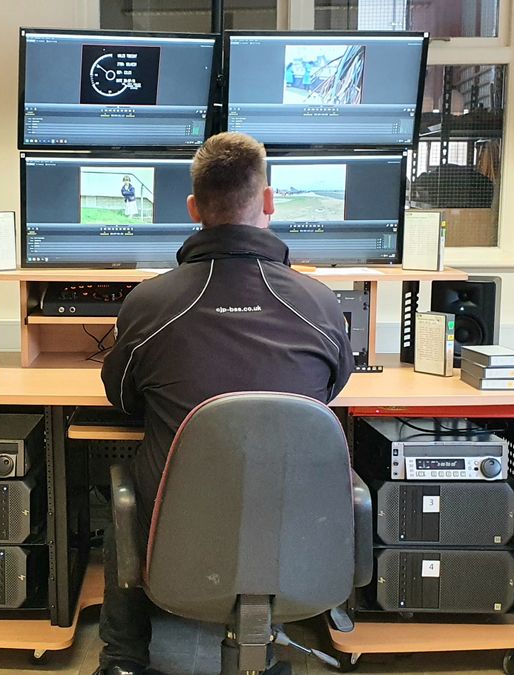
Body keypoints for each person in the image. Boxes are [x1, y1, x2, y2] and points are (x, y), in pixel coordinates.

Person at [95, 132, 353, 675]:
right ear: (269, 200)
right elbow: (329, 394)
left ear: (193, 208)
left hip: (174, 528)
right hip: (296, 525)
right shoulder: (320, 303)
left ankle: (122, 660)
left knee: (124, 481)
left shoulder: (150, 303)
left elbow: (121, 400)